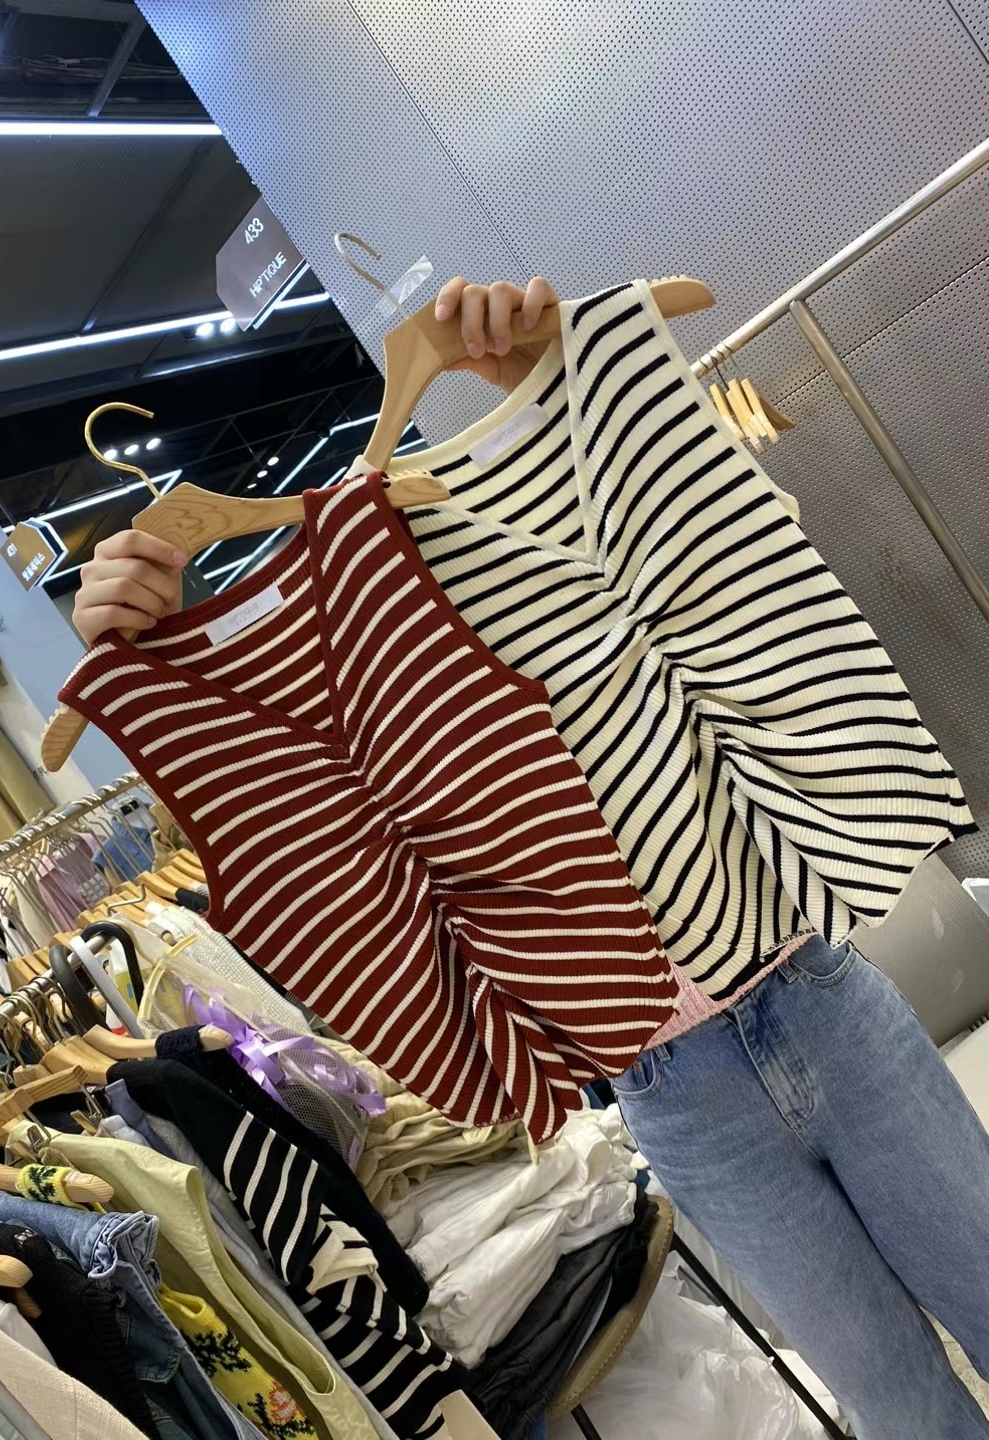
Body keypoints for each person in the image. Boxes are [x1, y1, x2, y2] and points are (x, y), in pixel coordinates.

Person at [73, 276, 989, 1437]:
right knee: (901, 1410)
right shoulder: (359, 625)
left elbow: (728, 579)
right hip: (670, 1094)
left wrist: (547, 380)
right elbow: (299, 826)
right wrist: (142, 659)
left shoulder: (472, 534)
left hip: (815, 992)